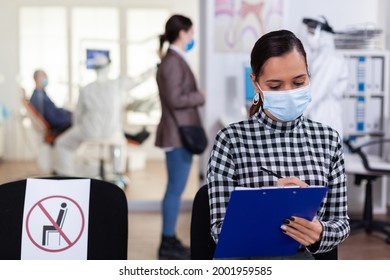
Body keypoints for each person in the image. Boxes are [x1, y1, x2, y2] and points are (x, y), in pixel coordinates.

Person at [207, 30, 350, 259]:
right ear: (256, 83)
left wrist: (319, 232)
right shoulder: (231, 141)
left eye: (298, 82)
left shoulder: (328, 140)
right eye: (275, 86)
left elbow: (341, 223)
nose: (289, 93)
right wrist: (267, 208)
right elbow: (219, 230)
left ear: (308, 76)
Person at [155, 14, 206, 260]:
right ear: (182, 33)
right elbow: (176, 99)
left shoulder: (173, 60)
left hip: (176, 134)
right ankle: (167, 243)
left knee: (174, 188)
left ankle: (170, 238)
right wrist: (200, 96)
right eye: (191, 32)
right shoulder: (173, 62)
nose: (192, 37)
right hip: (177, 136)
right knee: (175, 190)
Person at [53, 55, 153, 176]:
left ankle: (67, 175)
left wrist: (78, 127)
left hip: (89, 132)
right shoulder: (118, 84)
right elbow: (139, 79)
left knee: (62, 143)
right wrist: (154, 69)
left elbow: (78, 115)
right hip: (112, 133)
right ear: (108, 67)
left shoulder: (86, 89)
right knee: (119, 141)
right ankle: (117, 175)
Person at [301, 16, 349, 137]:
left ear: (322, 35)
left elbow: (315, 93)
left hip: (326, 119)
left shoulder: (330, 59)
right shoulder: (318, 57)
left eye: (311, 32)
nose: (308, 36)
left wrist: (290, 118)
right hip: (316, 119)